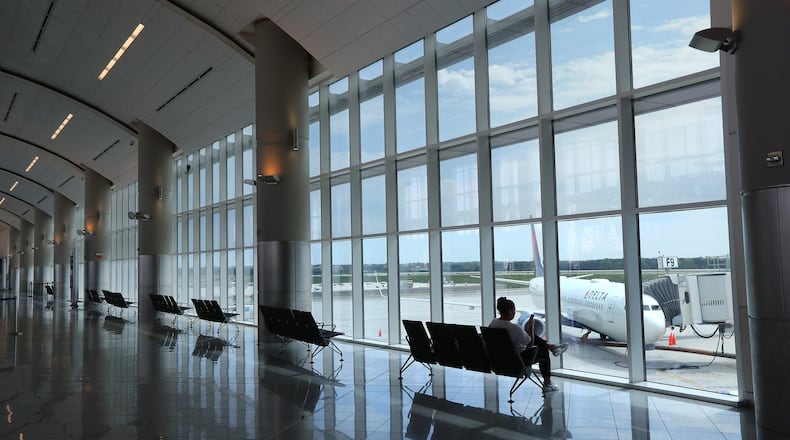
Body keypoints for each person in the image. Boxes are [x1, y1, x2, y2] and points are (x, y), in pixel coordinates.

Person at [488, 297, 566, 393]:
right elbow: (530, 343)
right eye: (514, 311)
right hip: (518, 360)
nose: (514, 313)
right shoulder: (514, 328)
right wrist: (531, 327)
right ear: (510, 311)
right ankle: (547, 383)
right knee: (543, 352)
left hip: (500, 361)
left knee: (529, 338)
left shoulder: (493, 323)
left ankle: (552, 347)